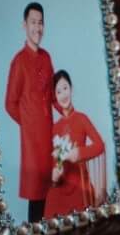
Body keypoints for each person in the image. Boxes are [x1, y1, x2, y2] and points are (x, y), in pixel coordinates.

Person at [4, 1, 53, 223]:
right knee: (36, 195)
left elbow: (52, 94)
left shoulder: (46, 57)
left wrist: (69, 111)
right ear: (25, 25)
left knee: (52, 193)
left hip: (50, 137)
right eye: (33, 22)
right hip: (33, 143)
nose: (37, 28)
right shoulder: (19, 62)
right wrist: (30, 124)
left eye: (40, 23)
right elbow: (10, 103)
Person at [44, 69, 106, 221]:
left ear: (71, 89)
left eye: (65, 88)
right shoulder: (54, 128)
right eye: (58, 92)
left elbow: (100, 145)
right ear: (55, 97)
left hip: (80, 186)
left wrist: (79, 153)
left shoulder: (81, 118)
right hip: (59, 188)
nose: (63, 95)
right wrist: (54, 177)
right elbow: (54, 163)